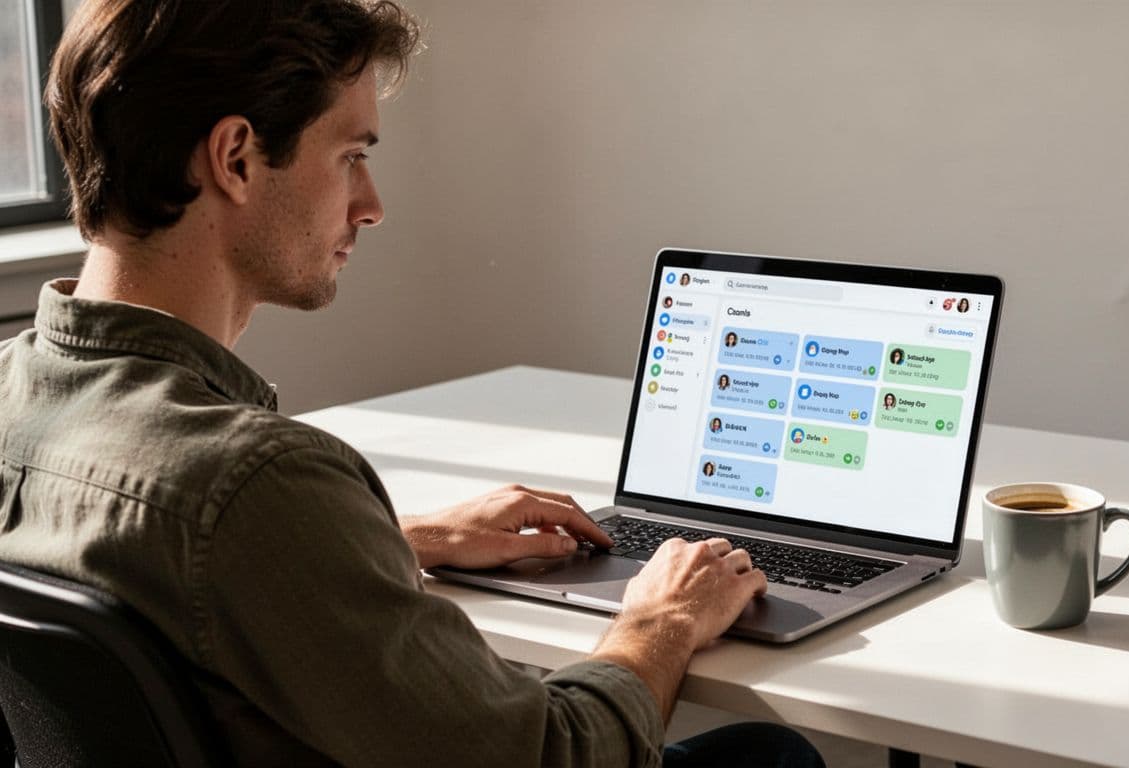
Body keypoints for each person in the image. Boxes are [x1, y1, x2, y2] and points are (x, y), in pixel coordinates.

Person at [0, 2, 823, 767]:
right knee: (766, 754)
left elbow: (157, 547)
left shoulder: (15, 390)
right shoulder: (258, 483)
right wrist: (663, 620)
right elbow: (553, 754)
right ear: (237, 158)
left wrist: (393, 536)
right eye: (351, 156)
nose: (372, 205)